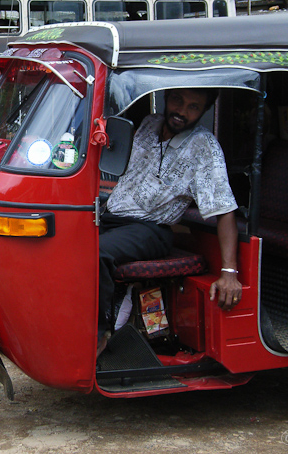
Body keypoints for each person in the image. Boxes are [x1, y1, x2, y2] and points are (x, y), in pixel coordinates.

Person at [97, 88, 242, 357]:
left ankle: (98, 336)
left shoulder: (204, 146)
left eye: (193, 107)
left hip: (150, 229)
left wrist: (229, 272)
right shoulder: (150, 123)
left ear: (203, 111)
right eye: (178, 100)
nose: (182, 111)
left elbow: (224, 210)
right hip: (111, 217)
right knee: (63, 240)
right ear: (167, 97)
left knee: (95, 253)